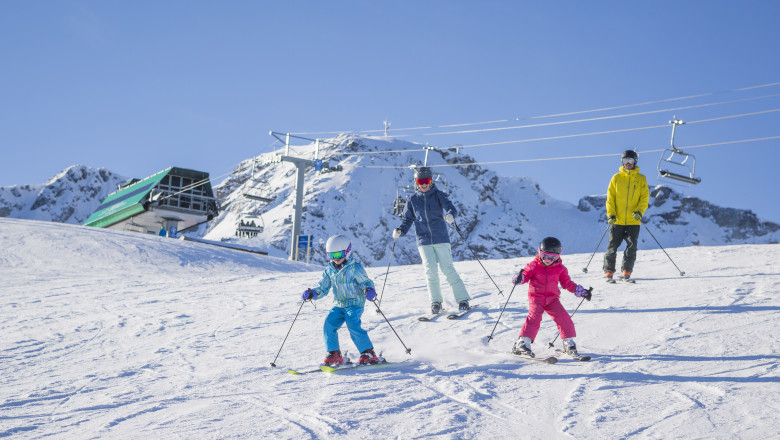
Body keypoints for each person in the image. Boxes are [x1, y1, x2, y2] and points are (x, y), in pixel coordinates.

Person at [393, 166, 471, 314]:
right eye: (420, 181)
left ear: (431, 181)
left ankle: (462, 300)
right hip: (423, 240)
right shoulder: (413, 200)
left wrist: (450, 215)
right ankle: (436, 302)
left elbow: (451, 208)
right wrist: (400, 231)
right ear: (416, 182)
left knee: (447, 268)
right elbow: (407, 220)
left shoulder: (438, 195)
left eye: (426, 181)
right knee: (430, 271)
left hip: (440, 237)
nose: (424, 184)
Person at [301, 234, 380, 366]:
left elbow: (365, 282)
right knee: (328, 324)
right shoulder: (329, 270)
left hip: (354, 303)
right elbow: (323, 287)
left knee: (352, 322)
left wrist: (369, 290)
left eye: (338, 255)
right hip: (339, 304)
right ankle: (334, 354)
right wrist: (313, 293)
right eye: (332, 256)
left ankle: (368, 352)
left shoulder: (355, 267)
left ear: (347, 252)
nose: (335, 259)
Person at [511, 237, 592, 357]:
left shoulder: (560, 269)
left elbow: (567, 283)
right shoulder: (534, 265)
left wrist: (580, 291)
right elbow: (525, 275)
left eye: (552, 257)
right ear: (539, 252)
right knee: (535, 318)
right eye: (544, 256)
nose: (548, 260)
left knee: (564, 318)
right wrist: (519, 278)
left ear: (558, 256)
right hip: (536, 298)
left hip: (552, 299)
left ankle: (568, 342)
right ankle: (522, 343)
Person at [603, 149, 650, 282]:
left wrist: (640, 212)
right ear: (622, 162)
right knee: (612, 246)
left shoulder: (641, 179)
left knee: (631, 246)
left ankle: (626, 271)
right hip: (617, 219)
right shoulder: (616, 178)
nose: (628, 164)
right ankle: (609, 271)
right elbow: (610, 198)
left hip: (633, 220)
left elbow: (644, 198)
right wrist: (611, 214)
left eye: (630, 161)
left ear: (635, 162)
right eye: (625, 161)